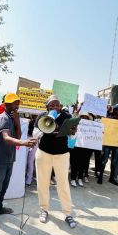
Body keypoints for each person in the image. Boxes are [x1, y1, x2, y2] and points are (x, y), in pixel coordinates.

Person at [0, 94, 36, 231]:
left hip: (9, 160)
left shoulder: (11, 118)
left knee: (4, 187)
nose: (16, 106)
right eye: (14, 103)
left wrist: (17, 121)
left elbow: (18, 136)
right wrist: (24, 143)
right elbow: (7, 138)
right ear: (6, 105)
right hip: (0, 161)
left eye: (17, 103)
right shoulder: (3, 118)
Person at [34, 95, 78, 228]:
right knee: (43, 182)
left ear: (60, 106)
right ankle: (44, 209)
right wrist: (47, 126)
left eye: (57, 105)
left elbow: (72, 137)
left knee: (63, 184)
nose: (55, 107)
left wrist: (73, 132)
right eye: (52, 105)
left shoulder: (67, 116)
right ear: (47, 107)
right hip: (44, 153)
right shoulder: (42, 115)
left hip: (62, 155)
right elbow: (35, 133)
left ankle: (67, 213)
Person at [97, 104, 118, 186]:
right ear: (114, 110)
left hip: (116, 143)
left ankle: (111, 178)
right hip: (108, 142)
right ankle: (100, 176)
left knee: (114, 161)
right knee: (104, 160)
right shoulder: (108, 118)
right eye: (117, 109)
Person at [69, 111, 92, 187]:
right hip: (75, 146)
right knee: (74, 163)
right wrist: (73, 131)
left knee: (82, 163)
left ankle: (80, 178)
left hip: (85, 147)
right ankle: (73, 179)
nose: (84, 118)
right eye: (82, 117)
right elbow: (70, 135)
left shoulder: (91, 127)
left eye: (86, 117)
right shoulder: (74, 124)